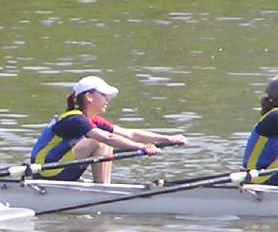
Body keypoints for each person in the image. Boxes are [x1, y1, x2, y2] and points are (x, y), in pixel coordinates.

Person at [30, 75, 187, 184]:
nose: (107, 100)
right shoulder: (74, 119)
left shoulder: (92, 120)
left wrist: (168, 139)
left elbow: (130, 133)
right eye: (104, 95)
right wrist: (142, 147)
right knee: (101, 142)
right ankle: (103, 188)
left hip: (60, 168)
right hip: (46, 170)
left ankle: (103, 185)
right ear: (89, 96)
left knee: (104, 140)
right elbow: (108, 138)